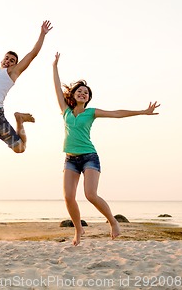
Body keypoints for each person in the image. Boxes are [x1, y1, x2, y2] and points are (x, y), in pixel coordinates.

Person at [52, 52, 160, 246]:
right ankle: (78, 229)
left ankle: (113, 222)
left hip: (89, 157)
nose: (82, 94)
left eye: (86, 93)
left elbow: (117, 113)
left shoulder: (91, 113)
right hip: (70, 159)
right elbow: (56, 89)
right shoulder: (65, 111)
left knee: (90, 195)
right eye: (80, 91)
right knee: (68, 197)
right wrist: (55, 66)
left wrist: (143, 112)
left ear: (88, 98)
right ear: (74, 94)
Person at [0, 20, 53, 154]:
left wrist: (42, 34)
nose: (8, 61)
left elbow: (32, 54)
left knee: (20, 149)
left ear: (15, 65)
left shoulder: (11, 73)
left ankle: (19, 119)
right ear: (1, 60)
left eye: (12, 61)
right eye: (6, 58)